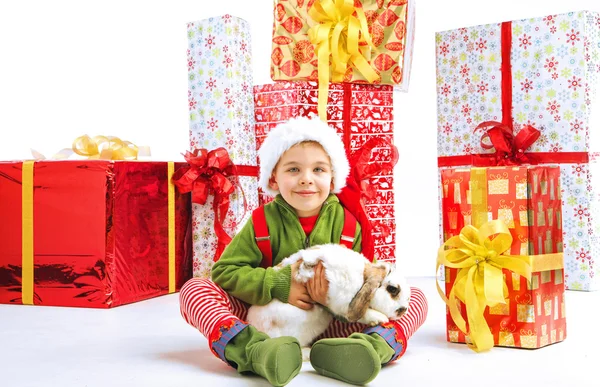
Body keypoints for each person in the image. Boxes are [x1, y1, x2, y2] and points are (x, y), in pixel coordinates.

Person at [179, 116, 428, 386]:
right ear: (274, 178)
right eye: (293, 169)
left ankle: (368, 349)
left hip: (334, 326)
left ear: (333, 178)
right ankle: (254, 351)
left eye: (318, 170)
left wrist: (330, 299)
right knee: (195, 290)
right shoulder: (262, 222)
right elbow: (225, 273)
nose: (306, 180)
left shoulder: (348, 224)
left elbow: (365, 288)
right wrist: (279, 283)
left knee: (414, 299)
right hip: (267, 323)